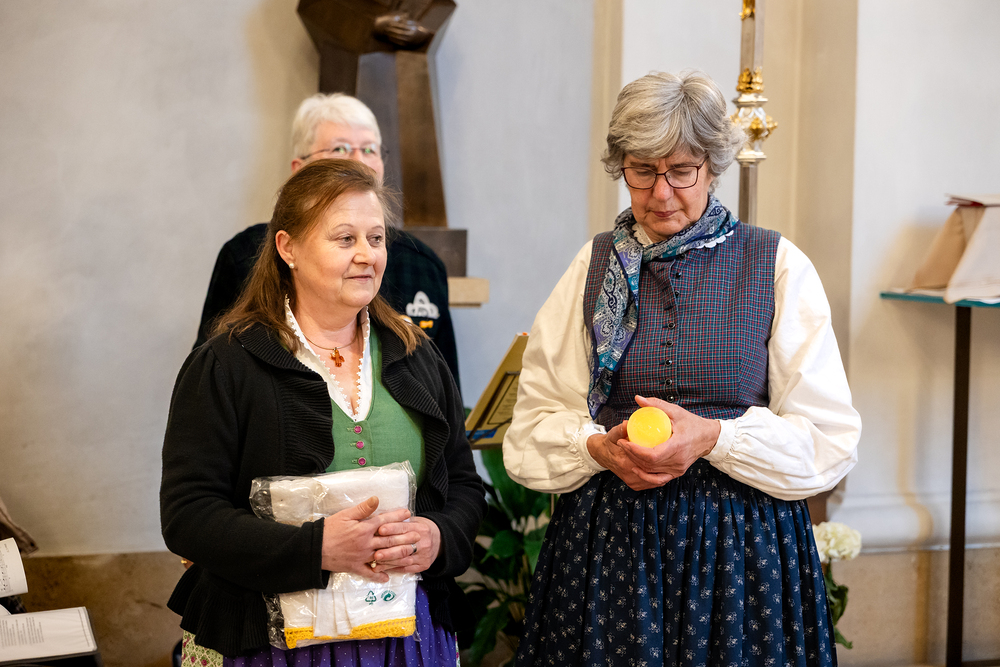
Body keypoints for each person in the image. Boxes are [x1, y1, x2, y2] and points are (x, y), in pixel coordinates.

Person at [503, 71, 861, 666]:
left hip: (742, 553)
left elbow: (829, 438)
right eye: (642, 171)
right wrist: (598, 448)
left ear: (713, 167)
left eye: (682, 171)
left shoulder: (775, 264)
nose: (661, 192)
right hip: (611, 549)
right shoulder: (592, 266)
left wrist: (715, 438)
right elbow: (534, 424)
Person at [161, 159, 485, 666]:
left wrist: (437, 537)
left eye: (376, 239)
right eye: (345, 239)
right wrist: (315, 549)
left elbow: (463, 484)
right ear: (287, 248)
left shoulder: (416, 355)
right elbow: (188, 514)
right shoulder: (227, 364)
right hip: (263, 643)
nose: (367, 255)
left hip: (403, 638)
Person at [195, 93, 461, 390]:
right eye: (340, 148)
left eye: (369, 149)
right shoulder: (243, 255)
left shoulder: (423, 265)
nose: (359, 161)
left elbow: (445, 388)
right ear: (299, 169)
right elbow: (214, 377)